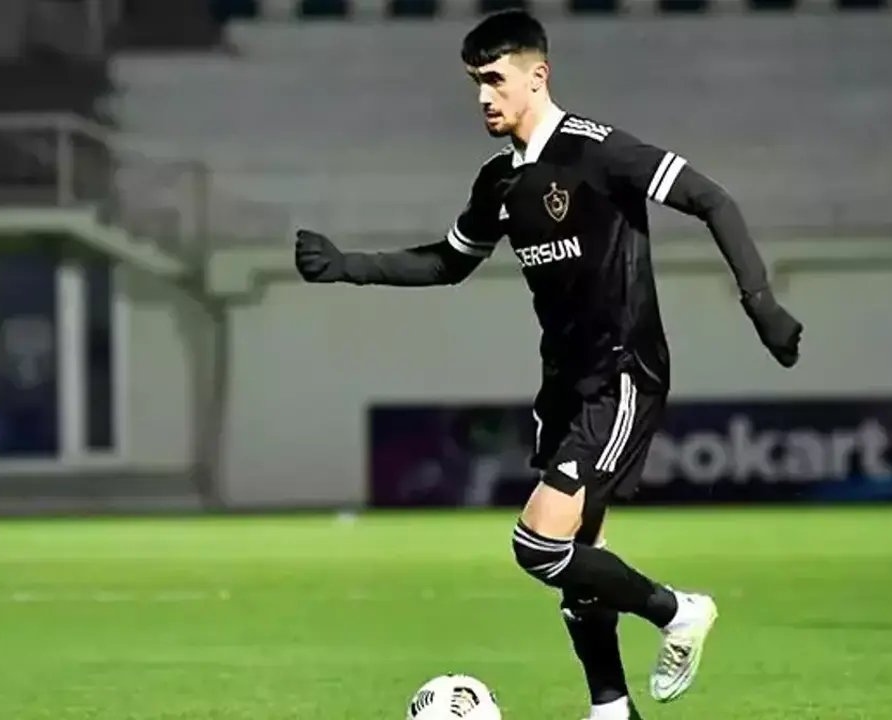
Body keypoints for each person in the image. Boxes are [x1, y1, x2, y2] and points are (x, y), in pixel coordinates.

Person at [294, 10, 803, 717]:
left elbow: (710, 198)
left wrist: (759, 302)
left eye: (495, 79)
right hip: (563, 385)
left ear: (538, 75)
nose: (483, 96)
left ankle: (678, 611)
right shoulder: (499, 182)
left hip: (622, 375)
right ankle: (611, 709)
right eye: (475, 82)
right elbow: (448, 263)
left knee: (538, 545)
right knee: (579, 563)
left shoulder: (597, 151)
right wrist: (346, 265)